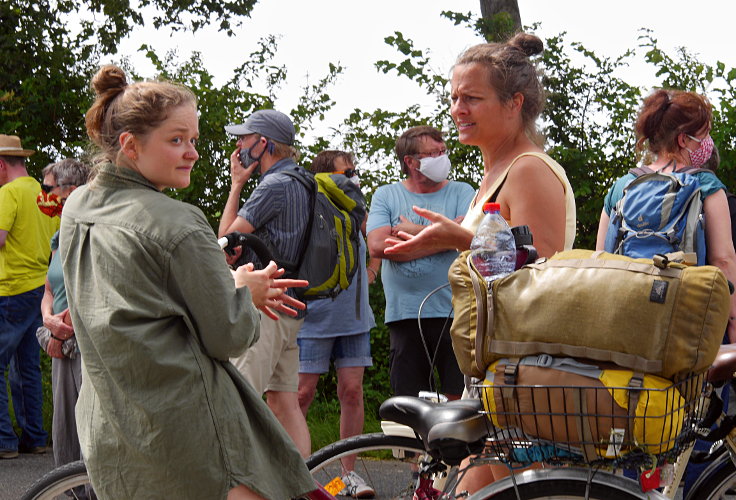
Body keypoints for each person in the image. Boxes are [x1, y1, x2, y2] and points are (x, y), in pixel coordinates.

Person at [59, 64, 315, 499]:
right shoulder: (179, 222)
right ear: (130, 145)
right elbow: (228, 335)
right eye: (176, 140)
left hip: (110, 424)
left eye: (193, 140)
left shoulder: (77, 207)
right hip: (189, 434)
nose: (193, 152)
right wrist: (244, 291)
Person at [382, 34, 577, 494]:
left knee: (492, 488)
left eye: (471, 98)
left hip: (523, 365)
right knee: (475, 488)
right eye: (453, 97)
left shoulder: (528, 168)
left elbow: (544, 265)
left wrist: (459, 238)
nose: (457, 109)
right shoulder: (495, 171)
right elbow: (500, 252)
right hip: (494, 361)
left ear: (514, 103)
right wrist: (447, 238)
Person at [595, 89, 736, 343]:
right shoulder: (706, 185)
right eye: (703, 135)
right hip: (687, 327)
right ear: (683, 139)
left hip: (626, 324)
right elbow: (723, 261)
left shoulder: (621, 187)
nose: (708, 142)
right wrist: (733, 322)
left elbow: (601, 260)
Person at [218, 109, 313, 458]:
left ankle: (239, 483)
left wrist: (237, 183)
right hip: (292, 306)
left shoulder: (273, 185)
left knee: (238, 397)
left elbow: (225, 239)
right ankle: (306, 488)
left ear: (264, 144)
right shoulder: (304, 181)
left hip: (266, 306)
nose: (239, 144)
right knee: (284, 403)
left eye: (244, 138)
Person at [367, 125, 475, 400]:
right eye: (432, 153)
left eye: (443, 151)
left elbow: (472, 237)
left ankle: (454, 446)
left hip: (457, 313)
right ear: (410, 162)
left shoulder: (463, 192)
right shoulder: (387, 195)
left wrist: (411, 234)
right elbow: (379, 246)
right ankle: (414, 445)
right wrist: (446, 236)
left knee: (459, 399)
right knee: (409, 402)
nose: (442, 157)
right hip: (405, 315)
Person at [296, 150, 379, 498]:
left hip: (355, 319)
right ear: (326, 175)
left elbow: (375, 242)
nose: (355, 176)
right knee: (300, 395)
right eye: (349, 171)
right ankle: (297, 476)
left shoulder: (358, 207)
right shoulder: (310, 209)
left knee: (352, 391)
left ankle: (347, 476)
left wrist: (373, 271)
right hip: (313, 319)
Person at [0, 134, 58, 459]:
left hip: (9, 289)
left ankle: (4, 441)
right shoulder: (44, 194)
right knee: (28, 366)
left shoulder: (8, 193)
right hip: (41, 289)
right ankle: (35, 436)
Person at [37, 158, 91, 479]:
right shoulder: (58, 237)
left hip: (82, 342)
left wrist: (59, 334)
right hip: (60, 341)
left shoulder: (87, 231)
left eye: (47, 189)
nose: (44, 196)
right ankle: (70, 491)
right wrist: (47, 319)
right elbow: (49, 288)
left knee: (88, 426)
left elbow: (84, 288)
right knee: (65, 429)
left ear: (70, 191)